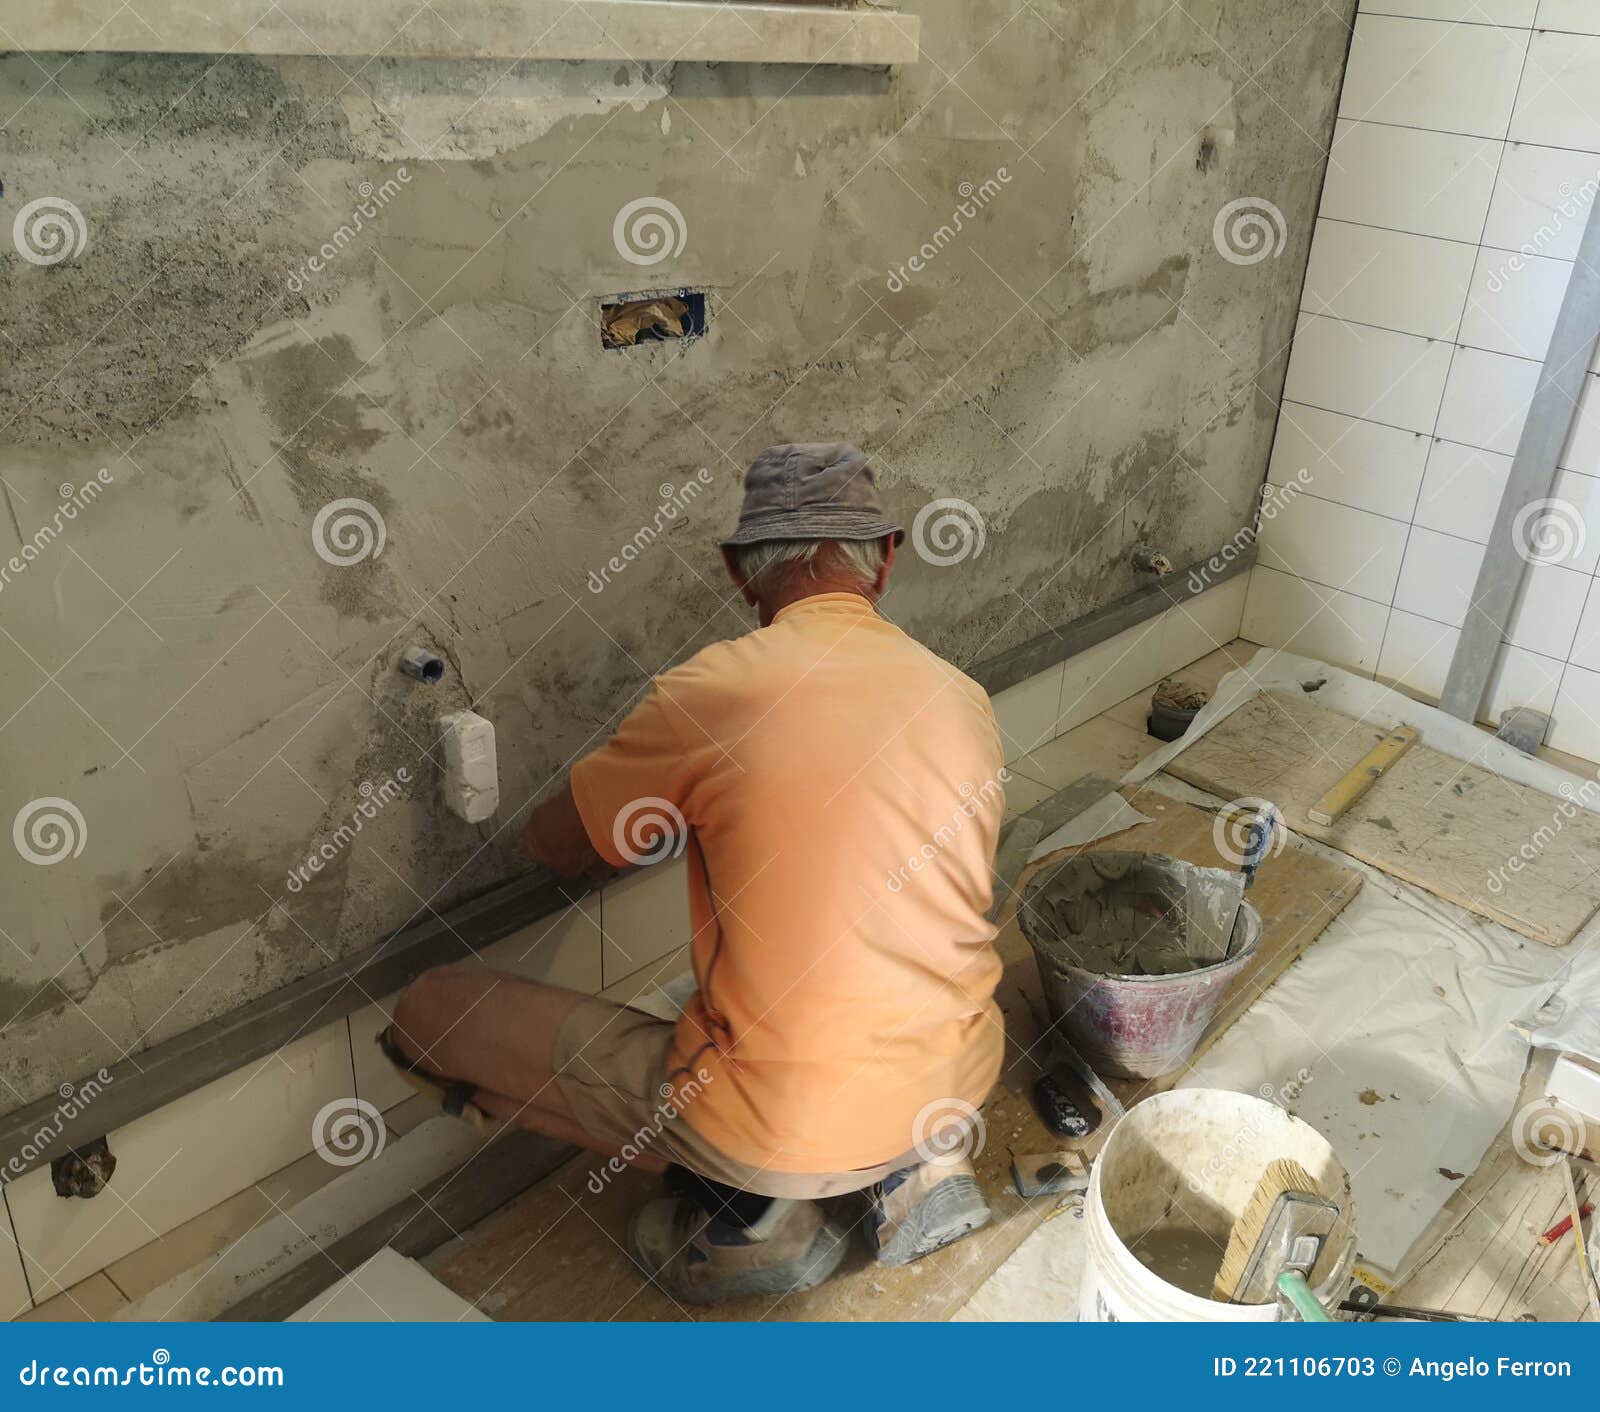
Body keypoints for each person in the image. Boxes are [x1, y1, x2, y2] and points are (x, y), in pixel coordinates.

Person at [387, 442, 1008, 1304]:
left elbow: (558, 846)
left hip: (776, 1123)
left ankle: (758, 1214)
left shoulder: (712, 692)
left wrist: (680, 791)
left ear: (736, 572)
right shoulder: (960, 694)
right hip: (954, 1078)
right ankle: (911, 1170)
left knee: (430, 1012)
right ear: (888, 558)